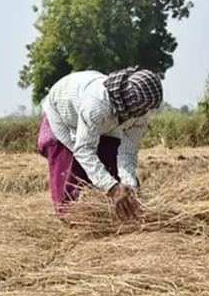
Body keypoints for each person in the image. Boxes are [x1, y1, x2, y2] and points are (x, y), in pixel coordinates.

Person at [37, 66, 162, 219]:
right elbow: (83, 150)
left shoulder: (140, 113)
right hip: (63, 120)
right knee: (71, 186)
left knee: (111, 171)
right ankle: (70, 225)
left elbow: (127, 152)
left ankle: (110, 218)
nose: (146, 114)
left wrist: (130, 185)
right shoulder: (96, 106)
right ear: (130, 104)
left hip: (102, 125)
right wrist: (113, 188)